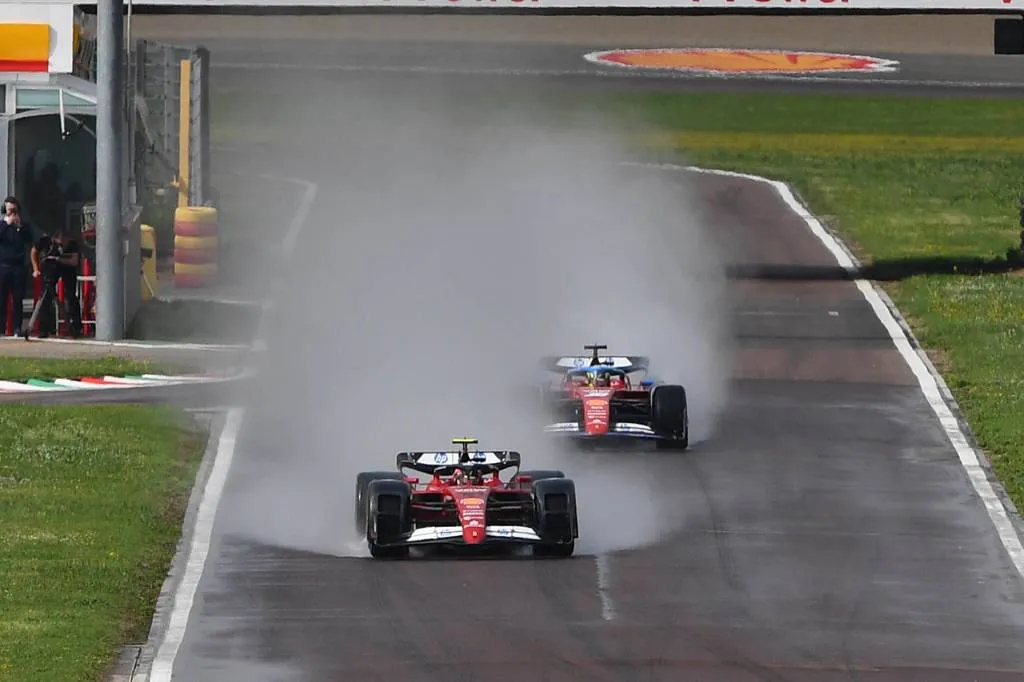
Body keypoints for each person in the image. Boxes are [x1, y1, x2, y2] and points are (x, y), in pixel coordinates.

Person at [25, 228, 81, 339]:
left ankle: (75, 326)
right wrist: (36, 269)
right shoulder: (45, 241)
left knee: (70, 296)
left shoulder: (72, 244)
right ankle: (44, 328)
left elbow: (74, 261)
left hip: (67, 269)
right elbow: (34, 251)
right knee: (46, 295)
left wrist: (59, 259)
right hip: (51, 268)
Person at [0, 197, 33, 336]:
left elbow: (29, 239)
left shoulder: (22, 226)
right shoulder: (2, 225)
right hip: (3, 266)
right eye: (10, 211)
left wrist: (19, 227)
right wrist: (7, 224)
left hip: (18, 267)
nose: (12, 214)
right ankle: (1, 328)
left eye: (15, 210)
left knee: (18, 299)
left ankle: (17, 328)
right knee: (2, 299)